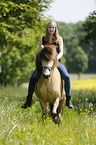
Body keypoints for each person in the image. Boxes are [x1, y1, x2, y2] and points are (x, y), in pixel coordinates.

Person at [21, 21, 74, 109]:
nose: (51, 29)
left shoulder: (59, 39)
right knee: (32, 78)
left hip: (56, 62)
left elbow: (61, 52)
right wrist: (41, 50)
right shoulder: (43, 39)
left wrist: (56, 58)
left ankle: (68, 100)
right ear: (47, 28)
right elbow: (39, 53)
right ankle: (28, 100)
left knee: (67, 76)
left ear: (55, 29)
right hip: (44, 63)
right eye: (50, 27)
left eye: (53, 27)